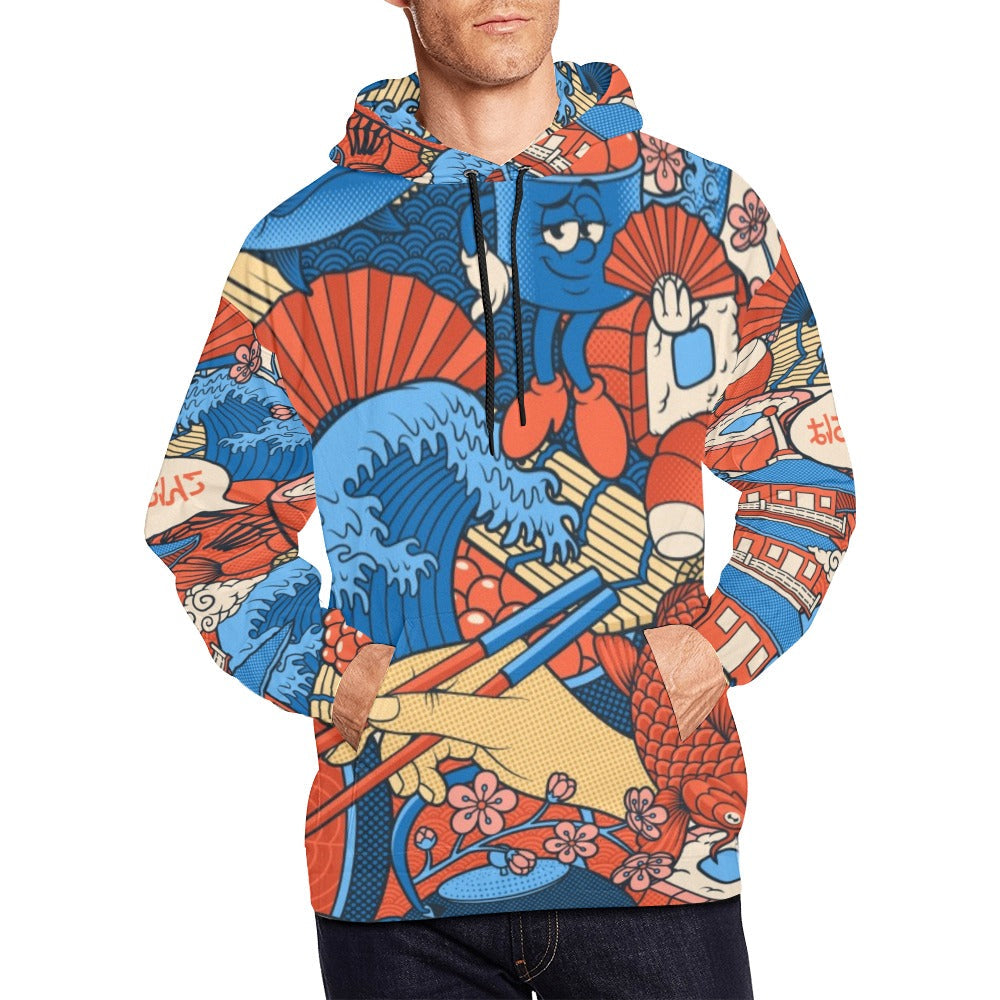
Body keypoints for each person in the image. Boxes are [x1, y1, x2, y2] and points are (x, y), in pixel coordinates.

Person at [142, 1, 857, 996]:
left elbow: (804, 472)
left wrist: (715, 648)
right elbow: (205, 516)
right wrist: (323, 667)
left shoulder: (700, 207)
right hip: (395, 879)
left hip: (658, 858)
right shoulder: (302, 244)